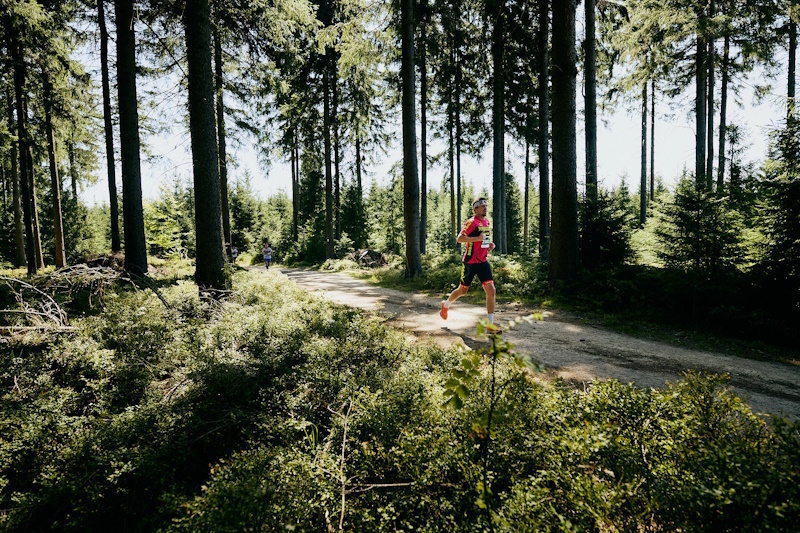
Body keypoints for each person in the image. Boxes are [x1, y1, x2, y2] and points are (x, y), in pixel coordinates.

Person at [440, 197, 498, 325]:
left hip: (483, 262)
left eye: (486, 206)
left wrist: (489, 244)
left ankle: (490, 326)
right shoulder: (472, 222)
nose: (485, 208)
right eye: (482, 206)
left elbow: (483, 240)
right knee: (462, 290)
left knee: (491, 290)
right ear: (475, 209)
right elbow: (460, 238)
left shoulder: (487, 222)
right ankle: (446, 305)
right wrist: (477, 238)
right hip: (470, 262)